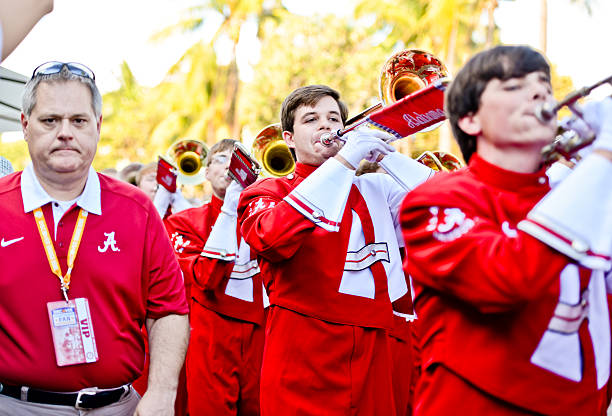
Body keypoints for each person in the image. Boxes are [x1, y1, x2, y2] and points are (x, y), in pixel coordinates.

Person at [400, 45, 612, 415]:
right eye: (513, 86)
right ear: (469, 119)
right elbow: (507, 277)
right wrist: (603, 157)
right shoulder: (435, 198)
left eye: (544, 84)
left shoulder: (572, 190)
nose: (540, 93)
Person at [0, 61, 189, 415]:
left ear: (98, 126)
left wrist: (163, 392)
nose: (66, 132)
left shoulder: (138, 210)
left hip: (117, 406)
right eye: (50, 120)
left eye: (79, 120)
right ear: (25, 126)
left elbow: (169, 310)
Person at [237, 85, 435, 414]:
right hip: (303, 347)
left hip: (375, 344)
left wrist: (388, 157)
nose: (327, 126)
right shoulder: (270, 189)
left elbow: (448, 201)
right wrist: (344, 161)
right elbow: (268, 239)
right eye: (311, 119)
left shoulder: (377, 186)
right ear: (288, 138)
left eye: (334, 118)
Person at [164, 138, 267, 415]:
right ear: (206, 172)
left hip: (263, 330)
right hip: (211, 331)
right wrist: (229, 210)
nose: (231, 167)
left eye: (239, 160)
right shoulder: (183, 222)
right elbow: (205, 278)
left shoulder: (267, 213)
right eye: (222, 159)